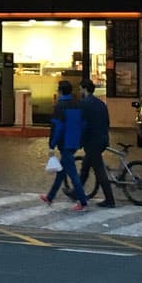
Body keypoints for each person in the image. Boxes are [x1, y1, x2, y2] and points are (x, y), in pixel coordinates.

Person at [41, 79, 86, 210]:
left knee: (72, 174)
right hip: (74, 142)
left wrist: (52, 145)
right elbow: (83, 124)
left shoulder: (59, 107)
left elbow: (57, 127)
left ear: (60, 91)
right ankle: (50, 197)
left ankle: (82, 201)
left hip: (65, 143)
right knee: (61, 171)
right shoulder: (77, 104)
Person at [76, 77, 115, 208]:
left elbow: (82, 125)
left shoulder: (84, 103)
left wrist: (78, 141)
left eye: (80, 88)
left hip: (92, 141)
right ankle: (76, 191)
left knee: (99, 170)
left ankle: (110, 199)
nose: (79, 90)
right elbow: (107, 122)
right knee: (85, 167)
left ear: (85, 89)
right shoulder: (101, 103)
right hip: (102, 139)